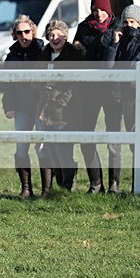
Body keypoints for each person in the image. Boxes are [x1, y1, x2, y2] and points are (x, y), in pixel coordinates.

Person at [72, 0, 120, 193]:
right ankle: (95, 183)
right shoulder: (83, 28)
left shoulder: (118, 27)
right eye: (95, 9)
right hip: (88, 90)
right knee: (86, 135)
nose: (98, 13)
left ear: (108, 10)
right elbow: (75, 57)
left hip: (112, 91)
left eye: (102, 9)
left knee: (114, 138)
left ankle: (114, 184)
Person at [110, 4, 140, 191]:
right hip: (128, 96)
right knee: (133, 140)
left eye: (132, 21)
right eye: (126, 21)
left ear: (139, 22)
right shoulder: (119, 41)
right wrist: (114, 44)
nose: (129, 25)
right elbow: (109, 67)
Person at [36, 20, 85, 194]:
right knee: (50, 149)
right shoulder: (44, 54)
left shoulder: (74, 54)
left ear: (66, 36)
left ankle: (67, 186)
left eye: (58, 34)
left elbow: (76, 83)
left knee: (63, 149)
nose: (54, 38)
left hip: (65, 110)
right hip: (45, 108)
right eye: (51, 35)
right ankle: (59, 186)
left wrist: (63, 100)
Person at [1, 15, 45, 198]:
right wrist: (8, 106)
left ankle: (46, 189)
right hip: (22, 108)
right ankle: (26, 188)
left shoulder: (43, 50)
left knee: (42, 147)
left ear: (33, 32)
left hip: (42, 107)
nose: (24, 36)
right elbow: (7, 84)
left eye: (27, 32)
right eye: (19, 33)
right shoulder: (11, 55)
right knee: (21, 148)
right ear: (15, 35)